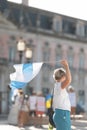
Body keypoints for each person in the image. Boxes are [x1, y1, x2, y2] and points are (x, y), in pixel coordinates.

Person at [52, 59, 72, 130]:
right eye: (65, 76)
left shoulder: (57, 86)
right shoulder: (59, 86)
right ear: (63, 77)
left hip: (61, 113)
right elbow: (69, 80)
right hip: (62, 113)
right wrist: (66, 66)